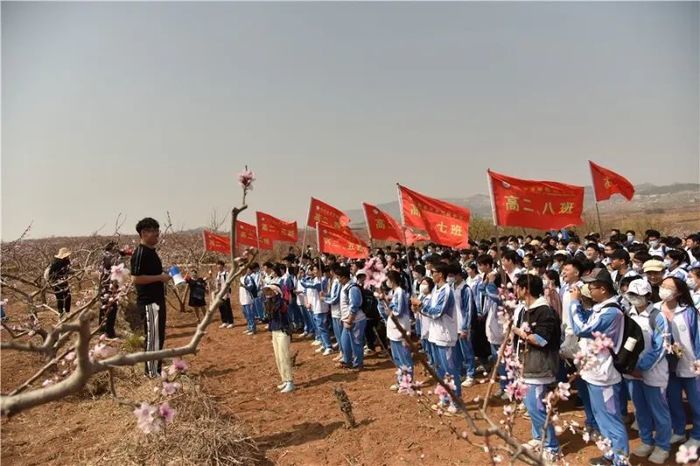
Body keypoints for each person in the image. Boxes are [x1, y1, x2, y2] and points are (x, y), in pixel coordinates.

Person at [569, 267, 629, 466]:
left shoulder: (612, 312)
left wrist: (574, 303)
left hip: (606, 376)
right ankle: (610, 454)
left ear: (602, 289)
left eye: (591, 287)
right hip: (594, 373)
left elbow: (582, 329)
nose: (588, 290)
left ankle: (621, 460)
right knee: (601, 418)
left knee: (612, 420)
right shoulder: (602, 308)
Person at [511, 274, 561, 459]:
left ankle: (552, 447)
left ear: (526, 289)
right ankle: (538, 437)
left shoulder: (544, 311)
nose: (515, 291)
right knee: (531, 405)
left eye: (518, 287)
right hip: (527, 365)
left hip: (540, 367)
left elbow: (541, 339)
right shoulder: (526, 309)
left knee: (537, 407)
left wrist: (518, 332)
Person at [623, 279, 671, 464]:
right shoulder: (629, 314)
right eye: (631, 295)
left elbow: (661, 346)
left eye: (638, 295)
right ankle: (646, 440)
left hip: (654, 372)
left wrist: (641, 367)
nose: (634, 299)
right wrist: (630, 365)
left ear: (648, 296)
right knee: (640, 409)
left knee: (659, 411)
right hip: (632, 372)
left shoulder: (657, 317)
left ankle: (663, 445)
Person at [411, 263, 462, 410]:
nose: (432, 274)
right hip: (435, 334)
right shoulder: (435, 290)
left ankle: (455, 400)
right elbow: (428, 309)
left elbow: (438, 312)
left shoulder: (447, 291)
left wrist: (421, 306)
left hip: (445, 335)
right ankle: (445, 397)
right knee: (439, 369)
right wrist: (418, 308)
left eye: (433, 272)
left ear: (440, 274)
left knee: (450, 370)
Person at [659, 276, 700, 450]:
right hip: (667, 365)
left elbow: (698, 337)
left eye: (669, 287)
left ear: (680, 292)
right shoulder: (655, 310)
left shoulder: (689, 312)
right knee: (673, 399)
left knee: (695, 401)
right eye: (663, 286)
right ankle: (679, 430)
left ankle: (697, 435)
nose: (664, 289)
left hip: (691, 364)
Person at [130, 217, 171, 378]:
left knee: (158, 336)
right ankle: (152, 374)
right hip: (149, 302)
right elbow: (135, 278)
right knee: (153, 338)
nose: (157, 235)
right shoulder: (140, 253)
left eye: (157, 231)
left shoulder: (151, 252)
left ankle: (156, 371)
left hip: (157, 300)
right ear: (144, 233)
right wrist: (160, 278)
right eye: (154, 231)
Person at [378, 270, 413, 388]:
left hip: (401, 327)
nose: (387, 282)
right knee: (397, 357)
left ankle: (408, 381)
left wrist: (389, 308)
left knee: (404, 357)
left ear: (392, 280)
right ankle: (400, 380)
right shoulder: (393, 292)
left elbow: (399, 310)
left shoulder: (400, 292)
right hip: (393, 328)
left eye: (388, 280)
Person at [262, 284, 295, 393]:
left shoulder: (280, 302)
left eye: (270, 291)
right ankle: (284, 379)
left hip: (282, 331)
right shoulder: (270, 302)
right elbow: (267, 316)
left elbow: (274, 312)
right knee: (278, 357)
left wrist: (269, 301)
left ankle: (289, 381)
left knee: (284, 357)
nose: (267, 294)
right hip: (275, 331)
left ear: (276, 292)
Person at [300, 264, 333, 356]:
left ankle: (329, 346)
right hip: (315, 307)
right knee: (318, 327)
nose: (314, 272)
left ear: (320, 270)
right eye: (313, 270)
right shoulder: (315, 279)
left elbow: (309, 285)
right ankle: (323, 344)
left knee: (322, 327)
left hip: (321, 307)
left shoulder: (323, 280)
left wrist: (301, 279)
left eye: (316, 270)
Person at [338, 267, 367, 370]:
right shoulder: (345, 287)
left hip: (356, 320)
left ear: (344, 277)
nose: (338, 280)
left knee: (356, 343)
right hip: (347, 320)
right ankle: (348, 361)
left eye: (339, 278)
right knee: (344, 341)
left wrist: (350, 320)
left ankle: (358, 363)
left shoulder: (352, 288)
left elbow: (354, 305)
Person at [48, 247, 72, 314]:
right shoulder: (56, 263)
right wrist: (57, 279)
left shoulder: (67, 261)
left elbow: (68, 270)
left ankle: (68, 313)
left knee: (68, 297)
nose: (68, 256)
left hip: (64, 282)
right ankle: (61, 314)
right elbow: (51, 274)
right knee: (60, 299)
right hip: (57, 284)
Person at [215, 260, 234, 329]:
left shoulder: (226, 273)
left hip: (225, 293)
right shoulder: (217, 274)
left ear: (222, 265)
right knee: (221, 308)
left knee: (227, 307)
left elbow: (229, 283)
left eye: (219, 265)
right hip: (219, 293)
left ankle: (231, 322)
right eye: (217, 265)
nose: (218, 266)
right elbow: (217, 283)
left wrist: (227, 292)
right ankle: (224, 321)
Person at [239, 265, 258, 335]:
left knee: (250, 314)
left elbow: (251, 287)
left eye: (241, 269)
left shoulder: (248, 278)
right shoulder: (241, 278)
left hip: (248, 299)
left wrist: (243, 285)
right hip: (243, 298)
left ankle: (253, 329)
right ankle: (249, 327)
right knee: (246, 314)